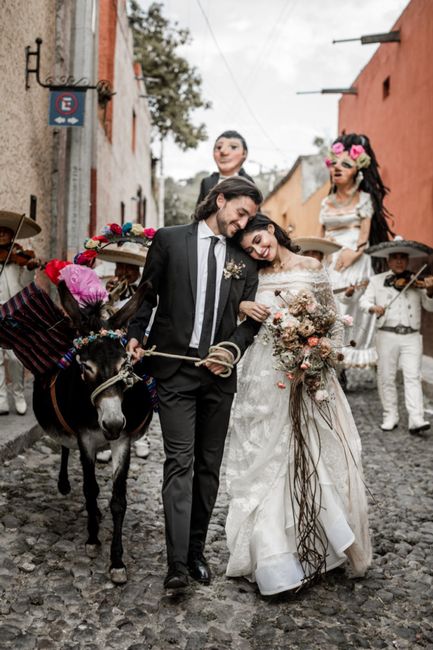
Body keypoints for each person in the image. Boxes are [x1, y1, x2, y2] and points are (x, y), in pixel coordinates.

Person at [127, 177, 263, 590]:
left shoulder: (245, 257)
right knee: (179, 463)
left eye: (250, 219)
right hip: (174, 372)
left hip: (219, 377)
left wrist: (231, 350)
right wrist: (135, 333)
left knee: (208, 468)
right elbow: (147, 295)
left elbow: (251, 321)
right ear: (219, 200)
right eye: (239, 213)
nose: (243, 224)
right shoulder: (169, 240)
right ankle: (176, 564)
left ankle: (196, 550)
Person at [225, 213, 372, 596]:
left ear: (271, 229)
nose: (259, 250)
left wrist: (324, 354)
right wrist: (242, 307)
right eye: (249, 249)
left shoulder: (312, 267)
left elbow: (335, 322)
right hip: (265, 377)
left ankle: (319, 548)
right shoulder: (251, 277)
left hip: (310, 375)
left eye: (259, 239)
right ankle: (277, 562)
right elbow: (231, 312)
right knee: (268, 461)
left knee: (313, 453)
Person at [319, 134, 393, 380]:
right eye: (335, 164)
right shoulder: (325, 202)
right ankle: (334, 363)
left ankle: (349, 357)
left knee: (350, 310)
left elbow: (364, 237)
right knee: (329, 311)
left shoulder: (364, 200)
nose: (338, 168)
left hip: (354, 260)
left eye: (346, 165)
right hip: (329, 261)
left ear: (357, 171)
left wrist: (352, 255)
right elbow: (320, 237)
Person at [360, 238, 433, 434]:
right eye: (395, 257)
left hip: (412, 336)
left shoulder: (416, 281)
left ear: (408, 260)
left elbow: (429, 307)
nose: (399, 261)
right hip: (387, 335)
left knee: (413, 377)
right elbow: (363, 302)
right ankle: (390, 415)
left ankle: (416, 419)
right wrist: (373, 307)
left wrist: (430, 291)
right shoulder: (377, 281)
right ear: (388, 260)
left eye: (403, 257)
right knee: (386, 377)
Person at [96, 243, 151, 461]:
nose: (124, 272)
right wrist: (106, 297)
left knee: (141, 393)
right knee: (111, 394)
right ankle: (109, 439)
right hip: (112, 354)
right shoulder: (107, 288)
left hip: (136, 349)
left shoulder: (145, 292)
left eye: (129, 267)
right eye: (120, 266)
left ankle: (142, 435)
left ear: (137, 270)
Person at [0, 211, 41, 415]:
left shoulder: (19, 256)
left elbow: (25, 284)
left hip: (13, 314)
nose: (1, 235)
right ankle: (1, 399)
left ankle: (17, 394)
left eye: (5, 232)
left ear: (12, 236)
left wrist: (30, 268)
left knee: (15, 358)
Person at [197, 130, 254, 205]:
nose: (223, 151)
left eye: (233, 147)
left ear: (244, 153)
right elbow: (198, 212)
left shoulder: (248, 183)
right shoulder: (207, 183)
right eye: (219, 147)